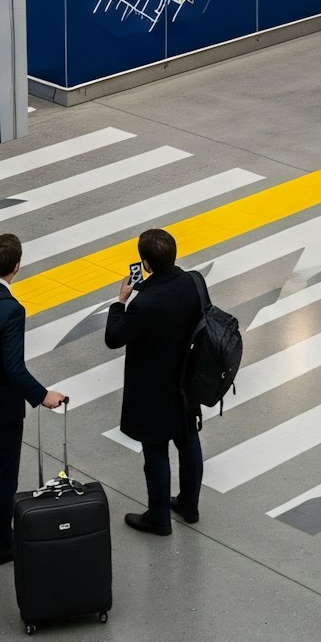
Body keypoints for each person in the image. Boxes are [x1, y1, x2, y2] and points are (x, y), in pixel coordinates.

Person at [0, 233, 67, 566]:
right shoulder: (11, 310)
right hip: (2, 408)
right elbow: (13, 368)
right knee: (4, 477)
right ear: (17, 267)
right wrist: (43, 395)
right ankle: (3, 546)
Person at [103, 227, 204, 537]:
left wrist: (121, 301)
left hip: (153, 388)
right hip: (186, 379)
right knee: (188, 440)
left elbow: (113, 338)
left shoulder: (144, 303)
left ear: (145, 263)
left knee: (156, 450)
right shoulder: (193, 282)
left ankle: (158, 519)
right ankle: (189, 505)